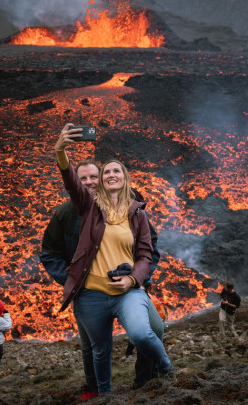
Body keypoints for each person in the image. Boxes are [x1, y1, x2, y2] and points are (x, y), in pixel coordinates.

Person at [53, 124, 173, 394]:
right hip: (91, 294)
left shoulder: (138, 214)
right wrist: (60, 150)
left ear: (125, 177)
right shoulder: (90, 207)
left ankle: (164, 366)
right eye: (106, 171)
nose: (111, 174)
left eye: (116, 170)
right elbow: (71, 180)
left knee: (144, 333)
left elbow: (145, 254)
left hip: (126, 291)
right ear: (102, 180)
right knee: (99, 351)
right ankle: (105, 396)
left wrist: (133, 279)